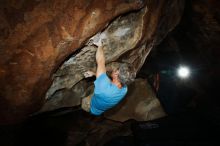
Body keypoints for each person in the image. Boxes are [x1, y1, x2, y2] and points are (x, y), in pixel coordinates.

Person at [81, 41, 135, 116]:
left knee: (84, 101)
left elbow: (100, 61)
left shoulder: (103, 87)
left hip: (91, 106)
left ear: (116, 74)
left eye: (117, 69)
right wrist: (94, 74)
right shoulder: (124, 89)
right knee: (98, 88)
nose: (114, 69)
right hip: (101, 108)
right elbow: (110, 84)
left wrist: (100, 45)